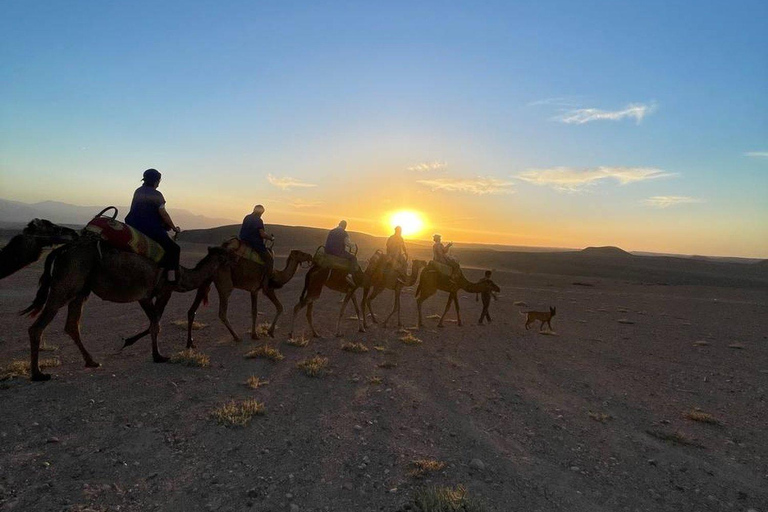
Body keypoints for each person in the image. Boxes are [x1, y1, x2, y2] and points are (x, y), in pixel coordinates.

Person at [125, 168, 181, 283]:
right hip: (150, 228)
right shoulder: (157, 195)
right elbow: (163, 214)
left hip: (133, 225)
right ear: (156, 181)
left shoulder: (138, 191)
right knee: (174, 249)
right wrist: (174, 227)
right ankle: (171, 278)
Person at [239, 204, 275, 285]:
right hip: (254, 243)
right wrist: (270, 238)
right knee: (269, 259)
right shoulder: (258, 220)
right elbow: (262, 234)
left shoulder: (247, 217)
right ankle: (268, 281)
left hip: (243, 241)